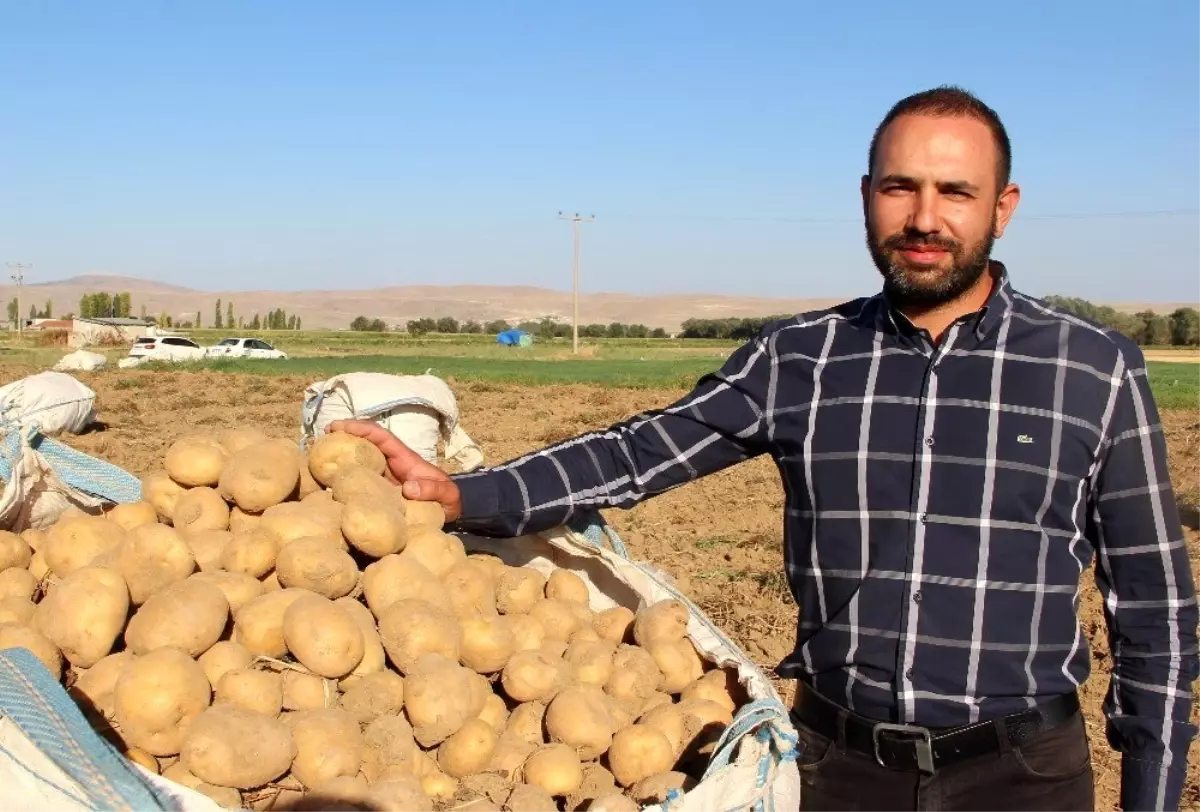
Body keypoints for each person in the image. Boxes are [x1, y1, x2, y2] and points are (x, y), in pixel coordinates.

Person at [334, 86, 1198, 812]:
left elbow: (1154, 610)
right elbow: (642, 451)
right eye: (901, 188)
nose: (924, 218)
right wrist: (461, 495)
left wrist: (1154, 794)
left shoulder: (1091, 368)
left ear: (1003, 208)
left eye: (955, 192)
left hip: (1024, 776)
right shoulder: (801, 358)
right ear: (867, 195)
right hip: (841, 769)